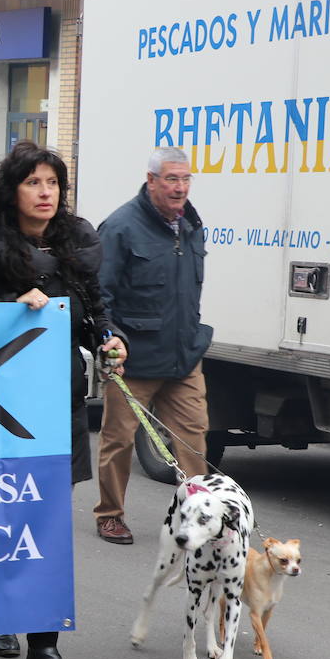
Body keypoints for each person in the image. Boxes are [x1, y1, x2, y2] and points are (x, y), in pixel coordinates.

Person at [0, 140, 125, 659]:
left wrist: (111, 339)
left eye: (53, 184)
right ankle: (0, 610)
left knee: (45, 521)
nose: (46, 193)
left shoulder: (78, 242)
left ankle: (43, 648)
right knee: (0, 512)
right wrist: (9, 310)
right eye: (34, 183)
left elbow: (96, 307)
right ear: (12, 190)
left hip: (57, 397)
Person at [93, 146, 211, 545]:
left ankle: (196, 517)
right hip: (133, 359)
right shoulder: (122, 226)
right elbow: (98, 294)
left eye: (186, 178)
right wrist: (109, 340)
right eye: (171, 179)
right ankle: (110, 514)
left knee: (193, 439)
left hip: (182, 357)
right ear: (151, 180)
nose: (180, 188)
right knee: (118, 439)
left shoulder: (191, 224)